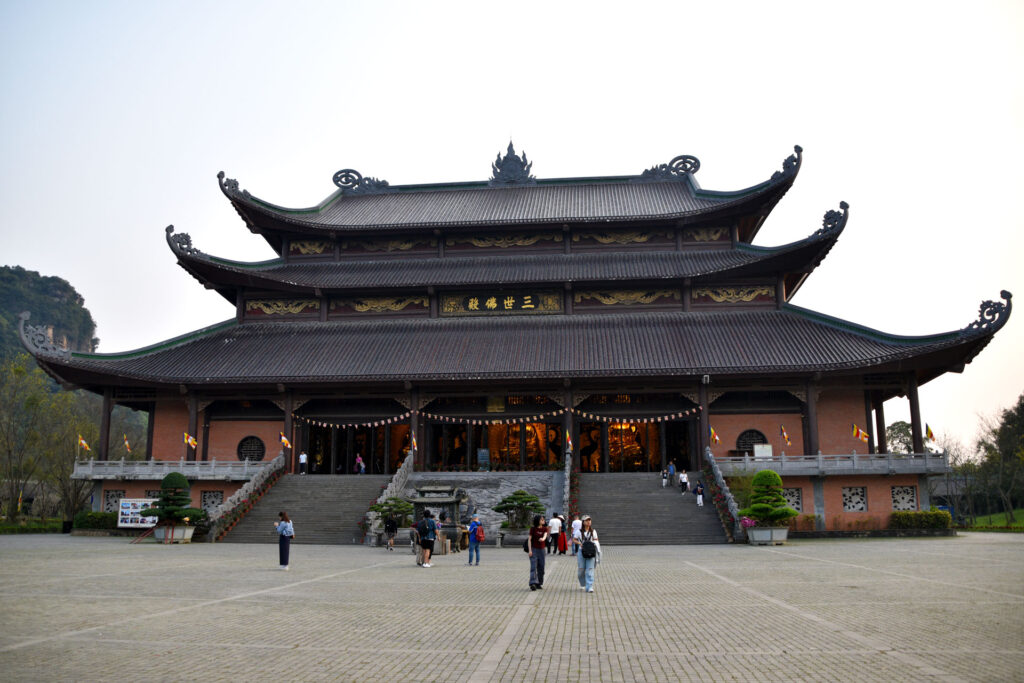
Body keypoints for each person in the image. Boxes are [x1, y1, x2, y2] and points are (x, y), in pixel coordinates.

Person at [574, 514, 599, 593]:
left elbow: (596, 540)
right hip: (582, 552)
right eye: (587, 520)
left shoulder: (593, 531)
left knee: (590, 569)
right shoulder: (579, 531)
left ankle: (590, 586)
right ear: (583, 522)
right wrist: (579, 543)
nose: (588, 522)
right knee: (581, 570)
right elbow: (574, 539)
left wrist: (594, 544)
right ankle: (582, 583)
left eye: (589, 520)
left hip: (591, 552)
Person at [527, 515, 549, 590]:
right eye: (542, 520)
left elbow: (545, 536)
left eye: (543, 519)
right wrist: (530, 550)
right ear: (538, 521)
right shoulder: (533, 529)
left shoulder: (545, 529)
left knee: (541, 567)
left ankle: (539, 583)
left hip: (542, 550)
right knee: (533, 566)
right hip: (534, 549)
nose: (543, 521)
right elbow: (529, 540)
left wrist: (542, 539)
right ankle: (532, 583)